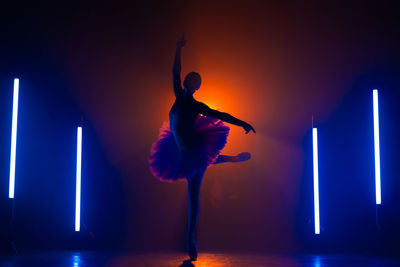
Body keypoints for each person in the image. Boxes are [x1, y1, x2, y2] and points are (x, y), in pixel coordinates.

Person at [149, 34, 255, 261]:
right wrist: (178, 48)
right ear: (186, 82)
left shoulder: (197, 105)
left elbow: (221, 114)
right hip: (176, 147)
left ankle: (190, 238)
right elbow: (175, 72)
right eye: (190, 77)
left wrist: (243, 123)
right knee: (201, 164)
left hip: (192, 147)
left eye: (194, 79)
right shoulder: (178, 95)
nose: (189, 80)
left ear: (197, 86)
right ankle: (235, 159)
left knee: (194, 194)